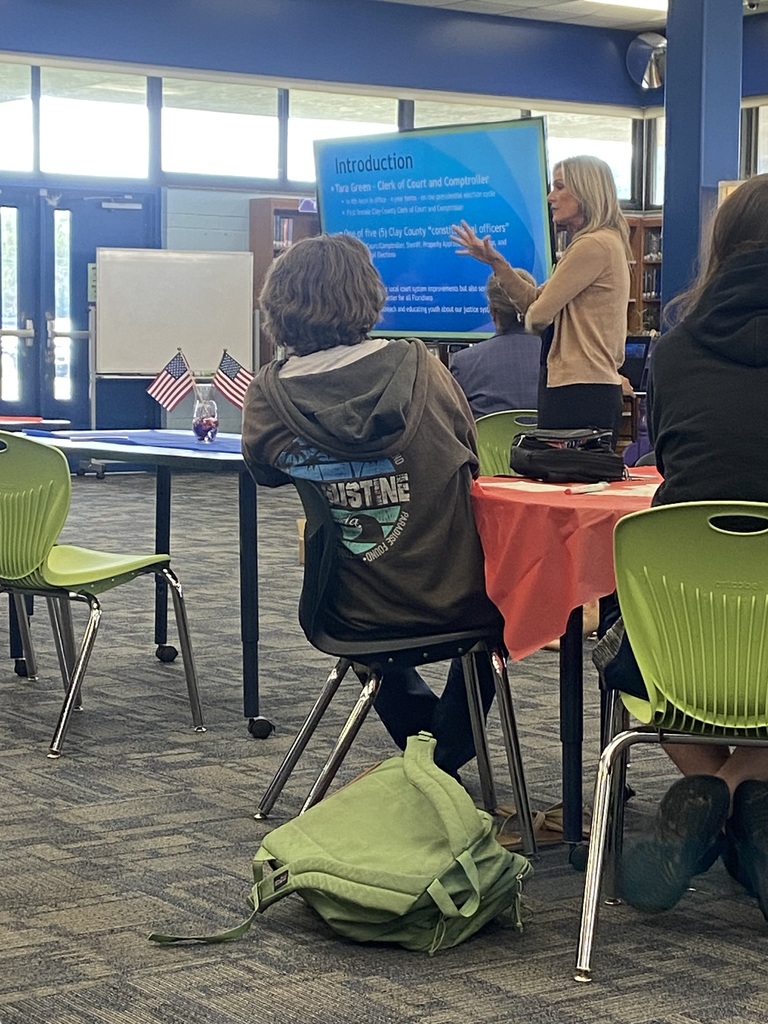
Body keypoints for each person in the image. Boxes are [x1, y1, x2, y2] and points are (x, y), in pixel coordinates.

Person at [241, 232, 502, 778]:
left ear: (278, 304)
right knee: (507, 616)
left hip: (347, 610)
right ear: (368, 295)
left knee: (366, 623)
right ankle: (442, 757)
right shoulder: (422, 366)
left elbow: (265, 472)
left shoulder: (268, 396)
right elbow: (471, 457)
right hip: (461, 597)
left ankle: (429, 761)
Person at [598, 173, 768, 918]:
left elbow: (671, 459)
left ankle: (714, 793)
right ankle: (748, 799)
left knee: (620, 654)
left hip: (678, 639)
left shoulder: (672, 350)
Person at [451, 155, 631, 447]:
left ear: (585, 191)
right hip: (584, 387)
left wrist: (537, 311)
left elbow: (537, 316)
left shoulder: (592, 245)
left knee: (563, 475)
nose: (550, 197)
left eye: (559, 187)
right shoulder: (600, 244)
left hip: (579, 390)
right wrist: (498, 264)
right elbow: (535, 302)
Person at [449, 271, 540, 419]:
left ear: (492, 312)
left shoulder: (464, 362)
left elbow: (455, 422)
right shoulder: (558, 355)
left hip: (487, 436)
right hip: (547, 434)